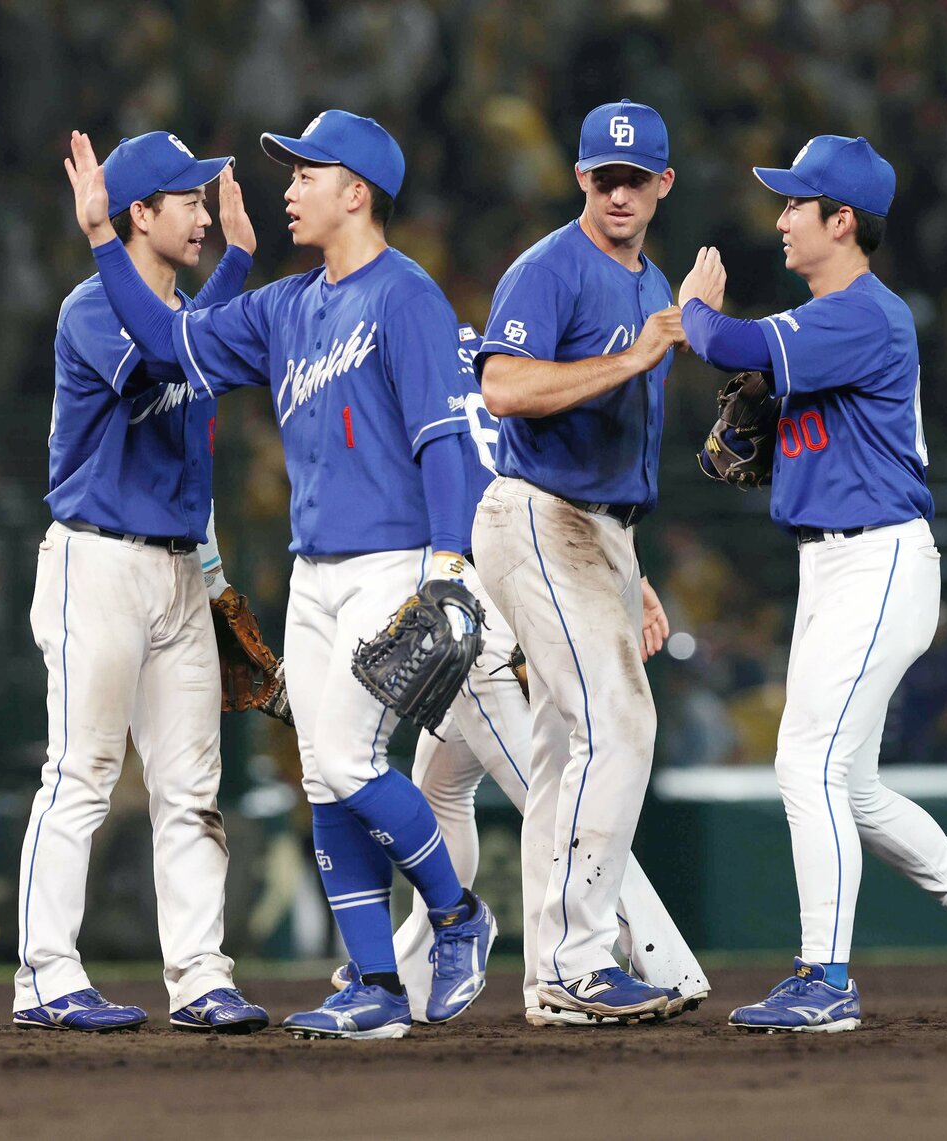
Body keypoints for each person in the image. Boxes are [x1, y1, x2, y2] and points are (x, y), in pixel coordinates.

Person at [65, 111, 496, 1040]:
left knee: (349, 759)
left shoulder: (407, 297)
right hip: (314, 572)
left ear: (358, 192)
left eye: (307, 173)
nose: (289, 187)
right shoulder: (288, 306)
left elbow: (444, 439)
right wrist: (102, 237)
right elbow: (166, 341)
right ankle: (376, 987)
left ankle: (458, 915)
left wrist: (452, 563)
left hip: (393, 560)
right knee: (323, 778)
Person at [677, 134, 947, 1031]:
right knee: (851, 782)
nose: (779, 218)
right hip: (835, 563)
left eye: (796, 204)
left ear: (842, 220)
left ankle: (825, 976)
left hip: (878, 559)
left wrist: (690, 306)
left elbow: (724, 338)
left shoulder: (865, 313)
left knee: (805, 762)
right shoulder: (831, 323)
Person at [334, 322, 710, 1026]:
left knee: (554, 791)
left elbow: (479, 481)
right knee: (441, 786)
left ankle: (663, 960)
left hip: (479, 597)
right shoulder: (468, 349)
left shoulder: (394, 353)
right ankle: (416, 965)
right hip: (515, 566)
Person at [13, 131, 270, 1034]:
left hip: (178, 572)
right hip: (98, 562)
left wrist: (237, 261)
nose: (203, 212)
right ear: (138, 214)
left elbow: (199, 343)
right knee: (81, 771)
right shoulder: (91, 308)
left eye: (205, 198)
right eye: (186, 199)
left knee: (192, 787)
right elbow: (170, 356)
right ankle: (44, 972)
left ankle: (201, 974)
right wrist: (231, 263)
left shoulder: (181, 309)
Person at [471, 99, 688, 1024]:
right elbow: (503, 386)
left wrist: (630, 570)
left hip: (597, 528)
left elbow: (625, 450)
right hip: (535, 513)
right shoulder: (548, 268)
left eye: (635, 178)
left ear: (663, 184)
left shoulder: (656, 282)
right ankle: (576, 959)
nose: (619, 193)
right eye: (605, 177)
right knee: (619, 721)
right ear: (580, 179)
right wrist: (636, 357)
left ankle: (555, 975)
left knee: (566, 749)